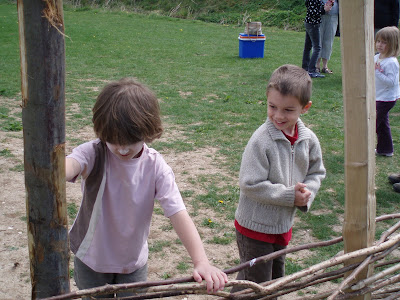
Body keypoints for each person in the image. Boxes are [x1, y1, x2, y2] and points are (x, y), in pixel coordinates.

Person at [65, 78, 228, 298]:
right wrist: (56, 167)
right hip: (91, 260)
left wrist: (202, 262)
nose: (122, 149)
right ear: (102, 132)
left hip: (133, 263)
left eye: (131, 141)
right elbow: (70, 165)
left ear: (147, 131)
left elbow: (178, 212)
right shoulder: (94, 153)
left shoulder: (155, 166)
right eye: (114, 141)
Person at [231, 65, 326, 294]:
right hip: (254, 229)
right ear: (266, 99)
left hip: (282, 226)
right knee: (257, 286)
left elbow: (316, 172)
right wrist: (288, 196)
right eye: (272, 107)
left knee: (274, 280)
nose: (279, 116)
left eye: (288, 110)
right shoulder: (261, 141)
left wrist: (306, 194)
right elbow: (249, 183)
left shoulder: (308, 140)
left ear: (305, 108)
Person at [374, 26, 400, 158]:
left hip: (387, 98)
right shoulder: (377, 57)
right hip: (378, 96)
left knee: (377, 122)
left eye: (384, 42)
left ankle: (385, 148)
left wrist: (377, 72)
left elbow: (392, 82)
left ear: (393, 44)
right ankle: (384, 149)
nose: (380, 45)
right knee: (382, 123)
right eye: (378, 41)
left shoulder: (391, 63)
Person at [302, 0, 333, 78]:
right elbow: (314, 13)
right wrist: (324, 10)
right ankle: (312, 70)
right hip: (313, 24)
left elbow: (310, 7)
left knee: (307, 47)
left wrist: (325, 6)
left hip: (308, 22)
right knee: (317, 47)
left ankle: (305, 68)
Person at [316, 0, 339, 74]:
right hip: (320, 15)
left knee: (328, 41)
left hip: (333, 15)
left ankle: (325, 66)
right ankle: (317, 66)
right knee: (318, 40)